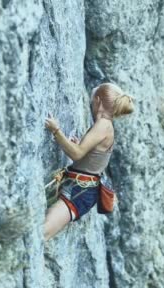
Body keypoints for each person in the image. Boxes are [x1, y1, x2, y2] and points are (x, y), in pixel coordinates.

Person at [43, 83, 135, 241]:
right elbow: (90, 157)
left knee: (42, 233)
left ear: (98, 102)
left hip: (80, 192)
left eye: (92, 102)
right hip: (80, 188)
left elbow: (77, 154)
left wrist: (56, 131)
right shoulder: (106, 127)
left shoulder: (102, 126)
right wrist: (77, 144)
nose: (91, 105)